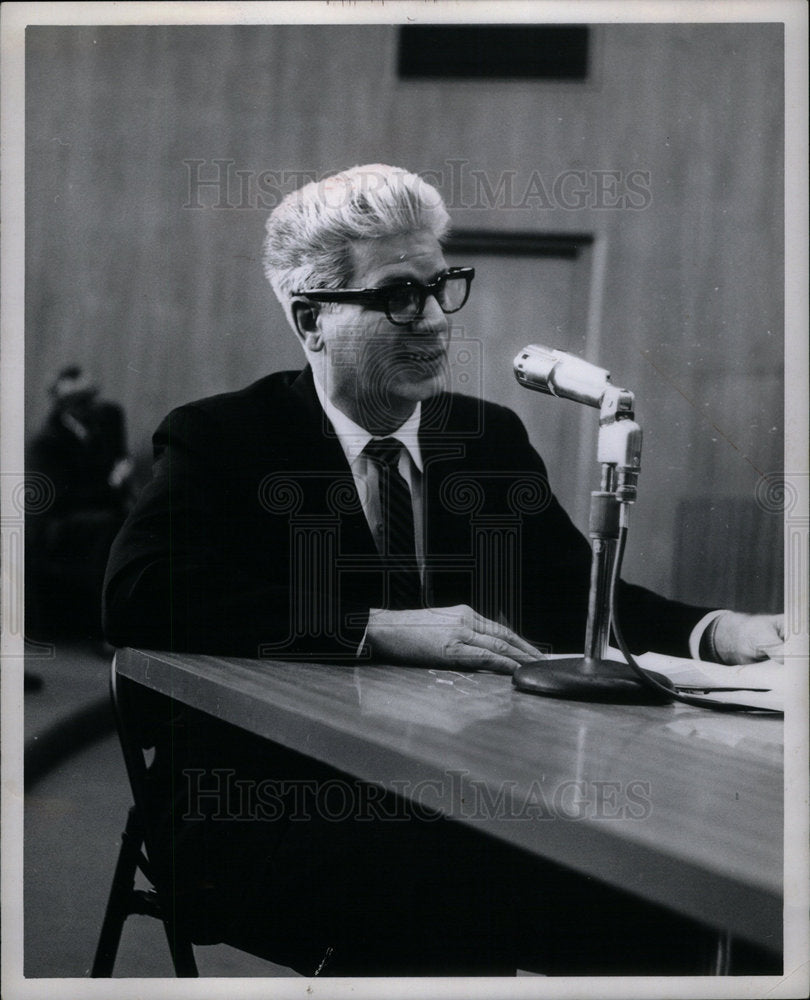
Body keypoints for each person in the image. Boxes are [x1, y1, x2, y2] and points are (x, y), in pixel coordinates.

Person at [102, 165, 784, 975]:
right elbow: (136, 595)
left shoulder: (488, 438)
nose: (431, 319)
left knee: (680, 906)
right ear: (310, 319)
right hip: (266, 803)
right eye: (398, 295)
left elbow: (579, 593)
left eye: (440, 286)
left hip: (461, 792)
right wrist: (375, 629)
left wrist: (721, 632)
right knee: (452, 896)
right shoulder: (223, 438)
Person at [26, 366, 133, 640]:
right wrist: (111, 485)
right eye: (80, 402)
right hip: (58, 523)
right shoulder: (48, 442)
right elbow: (60, 499)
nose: (89, 407)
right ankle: (108, 629)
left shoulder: (104, 425)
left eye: (90, 399)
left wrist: (121, 474)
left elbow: (120, 458)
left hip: (101, 512)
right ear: (65, 406)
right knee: (112, 530)